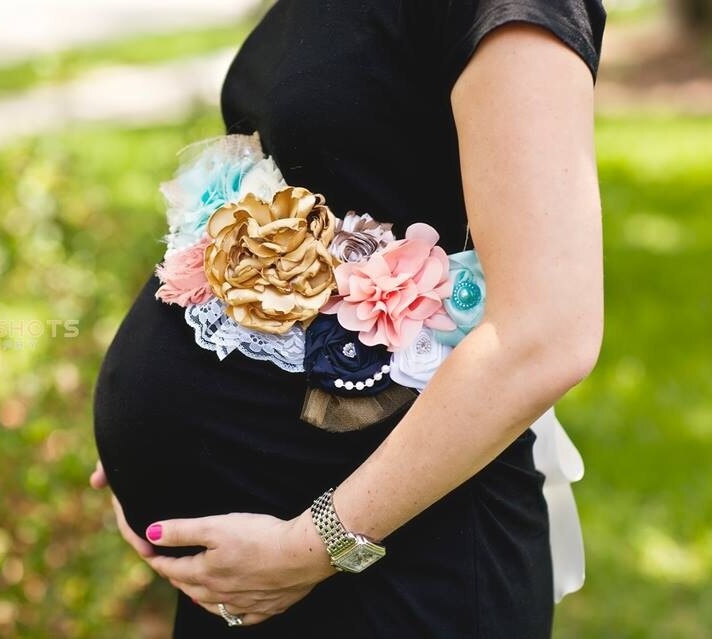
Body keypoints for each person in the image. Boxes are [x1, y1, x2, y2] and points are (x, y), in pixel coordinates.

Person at [91, 0, 606, 636]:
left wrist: (313, 548)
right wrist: (155, 441)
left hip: (394, 576)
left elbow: (545, 335)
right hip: (249, 573)